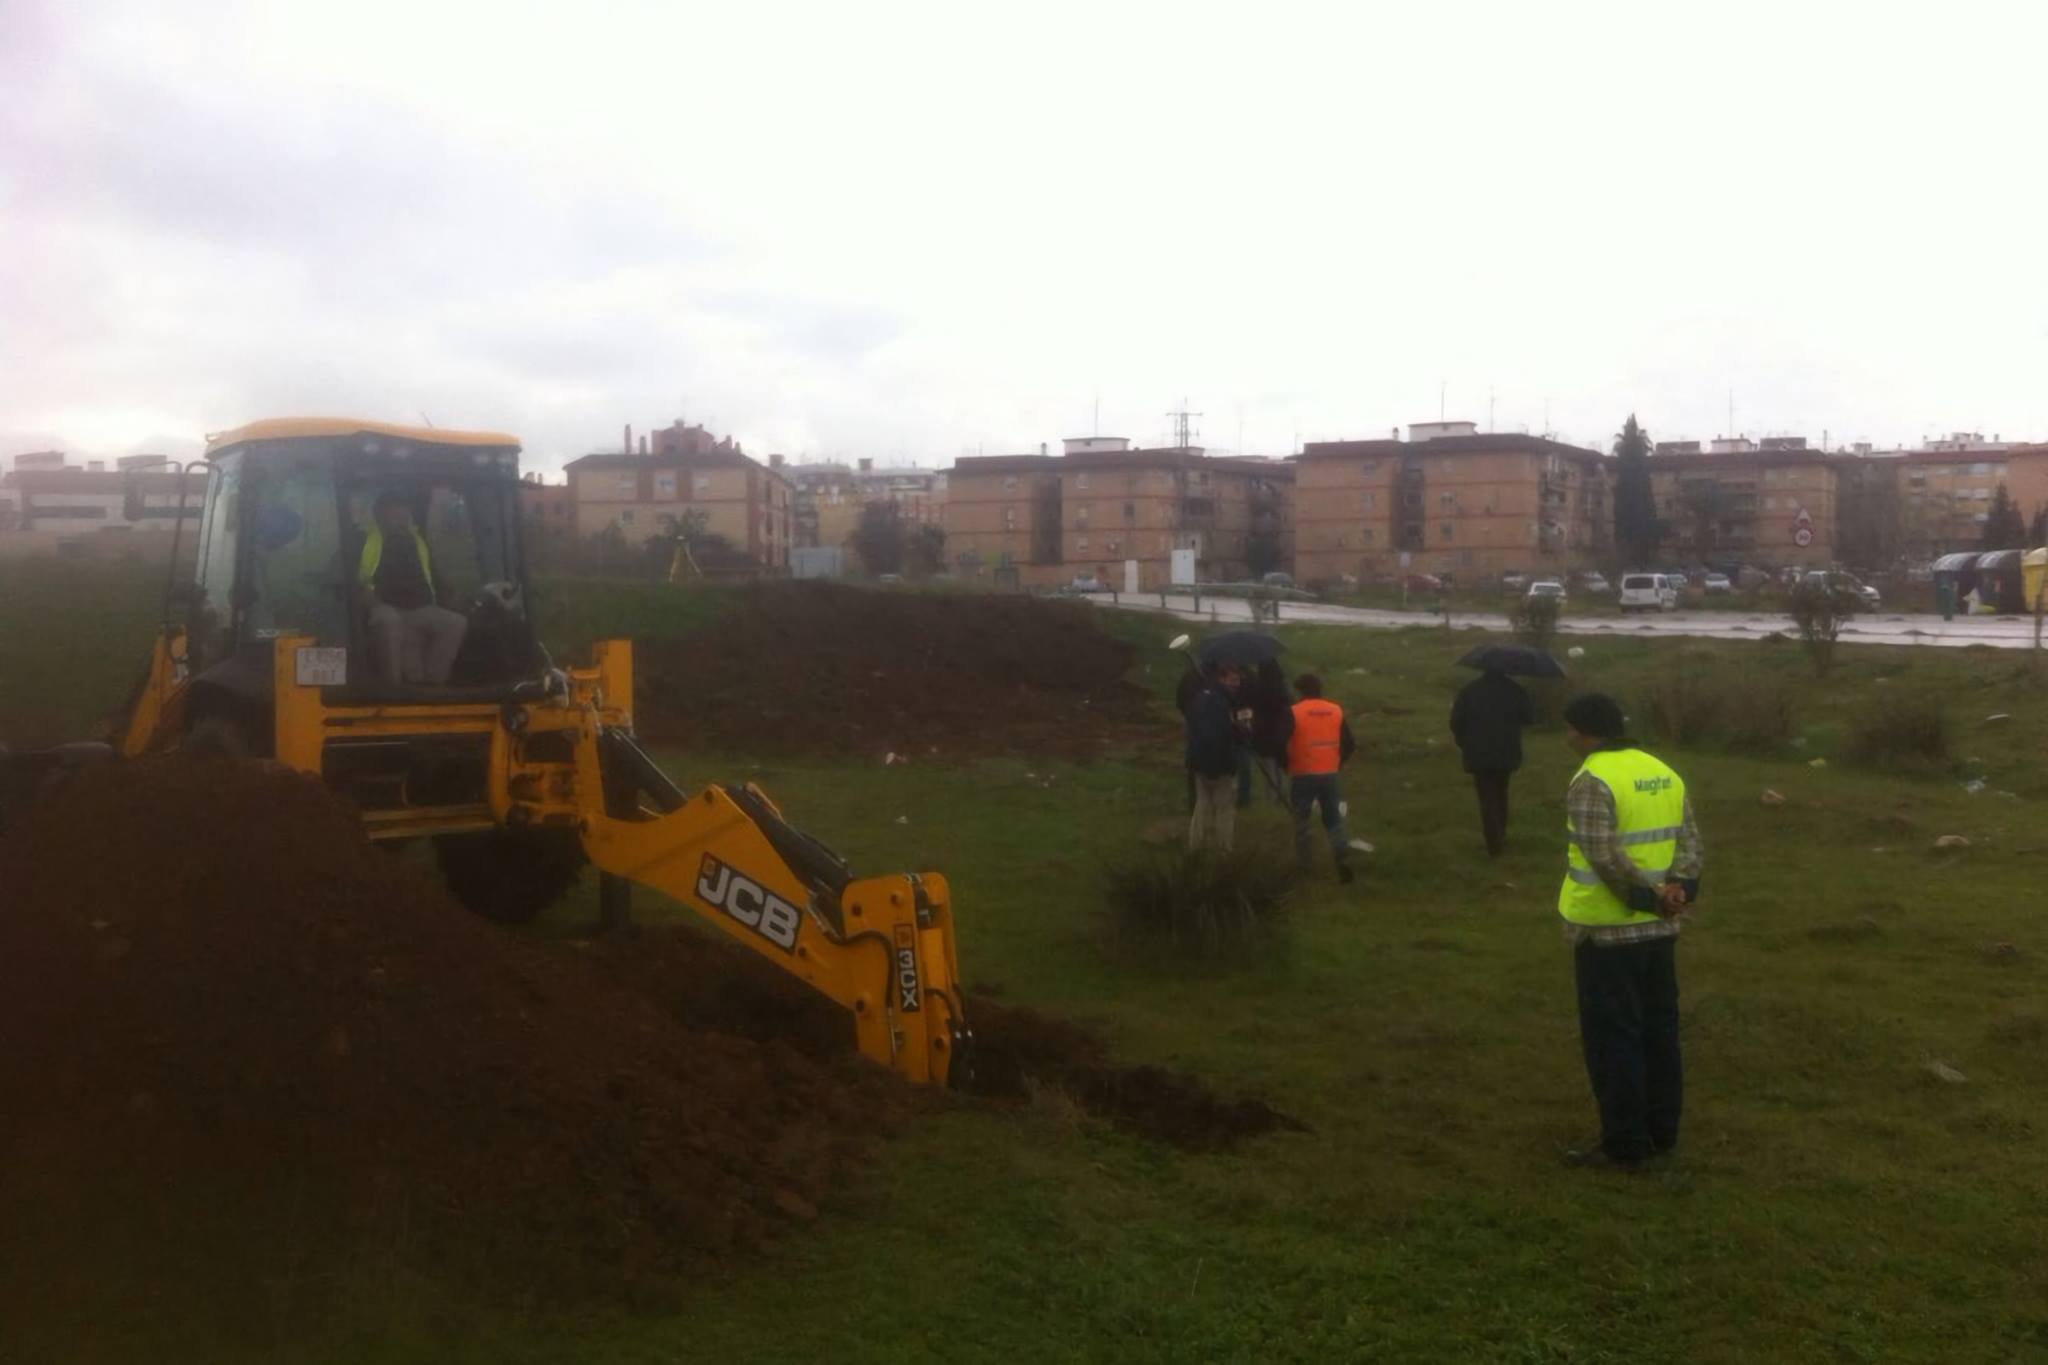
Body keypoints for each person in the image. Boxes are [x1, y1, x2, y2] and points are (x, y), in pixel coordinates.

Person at [1556, 692, 1704, 1172]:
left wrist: (1650, 898)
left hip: (1607, 933)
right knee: (1660, 1031)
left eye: (1570, 730)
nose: (1568, 738)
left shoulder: (1591, 780)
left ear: (1584, 732)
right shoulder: (1664, 771)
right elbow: (1689, 843)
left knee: (1612, 1038)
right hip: (1660, 933)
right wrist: (1680, 891)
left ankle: (1624, 1143)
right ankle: (1663, 1133)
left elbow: (1605, 858)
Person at [357, 491, 467, 685]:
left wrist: (450, 589)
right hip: (382, 608)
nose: (402, 519)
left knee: (455, 622)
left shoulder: (417, 540)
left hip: (420, 609)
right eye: (396, 514)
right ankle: (393, 689)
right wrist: (362, 594)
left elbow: (433, 572)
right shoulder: (362, 539)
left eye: (405, 514)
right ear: (380, 515)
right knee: (391, 622)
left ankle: (433, 686)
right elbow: (345, 576)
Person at [1450, 666, 1533, 857]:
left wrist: (1463, 742)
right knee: (1502, 792)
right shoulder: (1516, 690)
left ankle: (1493, 844)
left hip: (1478, 751)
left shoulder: (1469, 690)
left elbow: (1456, 721)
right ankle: (1500, 836)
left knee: (1486, 796)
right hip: (1507, 750)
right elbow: (1528, 718)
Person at [1286, 673, 1356, 883]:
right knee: (1333, 817)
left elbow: (1281, 739)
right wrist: (1336, 762)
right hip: (1329, 773)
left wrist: (1285, 762)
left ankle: (1305, 866)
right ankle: (1341, 855)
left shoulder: (1294, 712)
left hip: (1303, 773)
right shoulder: (1335, 710)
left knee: (1301, 819)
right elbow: (1350, 743)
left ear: (1301, 691)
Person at [1185, 664, 1245, 852]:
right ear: (1222, 679)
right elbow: (1215, 735)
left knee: (1201, 806)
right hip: (1219, 765)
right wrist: (1239, 731)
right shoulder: (1220, 703)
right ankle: (1224, 851)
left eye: (1238, 679)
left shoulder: (1201, 698)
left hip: (1197, 761)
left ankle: (1195, 848)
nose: (1237, 683)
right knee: (1224, 809)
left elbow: (1193, 728)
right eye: (1233, 679)